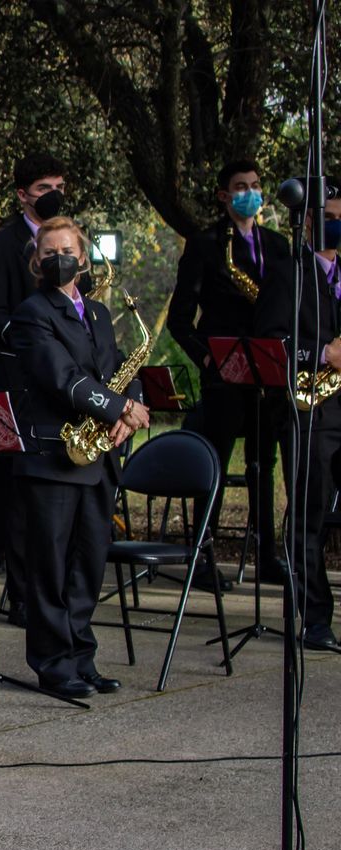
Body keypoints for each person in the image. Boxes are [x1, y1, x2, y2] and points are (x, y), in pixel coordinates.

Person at [6, 216, 145, 698]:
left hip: (99, 456)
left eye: (66, 250)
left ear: (83, 259)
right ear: (36, 262)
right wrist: (119, 407)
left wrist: (130, 408)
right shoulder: (31, 313)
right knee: (50, 566)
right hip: (52, 456)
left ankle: (82, 657)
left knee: (88, 563)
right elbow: (63, 377)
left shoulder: (101, 314)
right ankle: (53, 664)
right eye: (48, 253)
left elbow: (119, 369)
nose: (58, 258)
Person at [168, 159, 293, 585]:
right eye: (241, 186)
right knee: (216, 464)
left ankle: (267, 556)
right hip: (224, 372)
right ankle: (203, 558)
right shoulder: (205, 245)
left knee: (264, 463)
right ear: (224, 195)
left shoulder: (278, 246)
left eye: (256, 185)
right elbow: (179, 320)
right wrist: (207, 357)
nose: (251, 193)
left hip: (268, 371)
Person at [0, 152, 71, 621]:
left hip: (62, 387)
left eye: (60, 186)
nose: (55, 195)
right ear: (23, 195)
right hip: (19, 386)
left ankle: (54, 589)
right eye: (44, 187)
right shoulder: (1, 245)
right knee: (21, 496)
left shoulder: (69, 243)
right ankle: (23, 593)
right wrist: (30, 337)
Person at [258, 186, 339, 651]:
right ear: (309, 222)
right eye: (329, 216)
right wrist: (323, 352)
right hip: (313, 410)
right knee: (309, 517)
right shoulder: (289, 274)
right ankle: (314, 619)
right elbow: (271, 347)